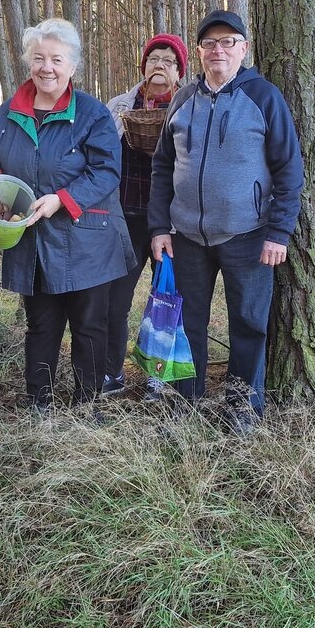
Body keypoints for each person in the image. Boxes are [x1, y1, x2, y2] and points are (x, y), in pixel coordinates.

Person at [148, 10, 304, 433]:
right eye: (210, 44)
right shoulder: (182, 100)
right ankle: (185, 402)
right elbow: (163, 167)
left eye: (228, 42)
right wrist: (159, 227)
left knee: (249, 323)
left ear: (244, 49)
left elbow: (290, 170)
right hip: (187, 237)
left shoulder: (264, 97)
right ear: (198, 52)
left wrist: (278, 232)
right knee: (187, 322)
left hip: (248, 236)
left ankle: (243, 407)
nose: (219, 50)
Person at [0, 18, 133, 411]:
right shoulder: (9, 111)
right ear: (29, 62)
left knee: (90, 325)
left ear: (72, 66)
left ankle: (87, 404)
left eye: (56, 59)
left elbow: (107, 171)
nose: (47, 67)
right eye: (39, 58)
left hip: (87, 238)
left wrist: (62, 198)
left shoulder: (93, 115)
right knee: (42, 325)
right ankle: (39, 402)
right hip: (32, 239)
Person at [103, 33, 188, 396]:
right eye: (154, 58)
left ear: (180, 72)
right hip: (125, 218)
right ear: (143, 65)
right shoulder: (119, 105)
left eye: (169, 61)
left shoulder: (189, 106)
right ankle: (111, 372)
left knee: (166, 298)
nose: (160, 65)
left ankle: (160, 374)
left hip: (171, 224)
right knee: (115, 300)